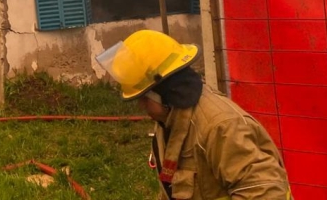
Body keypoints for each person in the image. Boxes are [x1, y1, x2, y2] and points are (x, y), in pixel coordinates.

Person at [97, 30, 292, 200]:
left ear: (165, 93)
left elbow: (267, 193)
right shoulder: (171, 118)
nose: (141, 106)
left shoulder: (221, 128)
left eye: (144, 98)